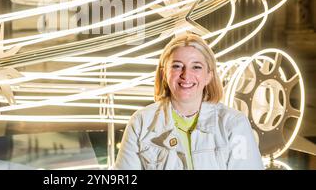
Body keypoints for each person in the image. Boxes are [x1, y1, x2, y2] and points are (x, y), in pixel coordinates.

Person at [113, 33, 264, 170]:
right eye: (177, 66)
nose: (186, 75)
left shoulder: (234, 123)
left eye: (196, 67)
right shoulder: (140, 123)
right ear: (164, 73)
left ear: (209, 76)